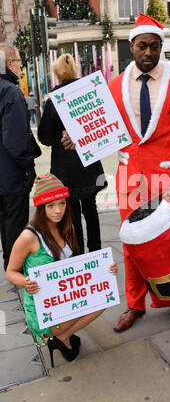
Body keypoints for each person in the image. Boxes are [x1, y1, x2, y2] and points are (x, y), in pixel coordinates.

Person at [108, 14, 170, 331]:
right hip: (129, 180)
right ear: (131, 45)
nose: (148, 52)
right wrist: (74, 138)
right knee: (132, 247)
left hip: (168, 181)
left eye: (154, 46)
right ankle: (135, 305)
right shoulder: (113, 86)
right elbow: (98, 130)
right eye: (142, 46)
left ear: (161, 47)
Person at [6, 173, 117, 367]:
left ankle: (62, 337)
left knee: (104, 299)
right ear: (41, 207)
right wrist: (25, 282)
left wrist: (104, 271)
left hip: (66, 298)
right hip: (44, 308)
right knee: (94, 303)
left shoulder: (68, 227)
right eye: (51, 206)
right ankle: (59, 337)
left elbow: (77, 266)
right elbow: (10, 271)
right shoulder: (28, 237)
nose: (58, 210)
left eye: (62, 204)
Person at [38, 54, 107, 255]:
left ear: (57, 74)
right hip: (89, 163)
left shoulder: (54, 101)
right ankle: (96, 250)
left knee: (72, 213)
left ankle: (77, 253)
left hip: (65, 168)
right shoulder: (88, 94)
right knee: (91, 209)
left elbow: (45, 138)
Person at [0, 44, 36, 271]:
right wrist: (28, 166)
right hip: (11, 173)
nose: (21, 68)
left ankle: (8, 264)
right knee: (15, 222)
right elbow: (14, 139)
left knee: (5, 222)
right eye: (20, 63)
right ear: (10, 64)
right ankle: (16, 268)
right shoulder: (10, 92)